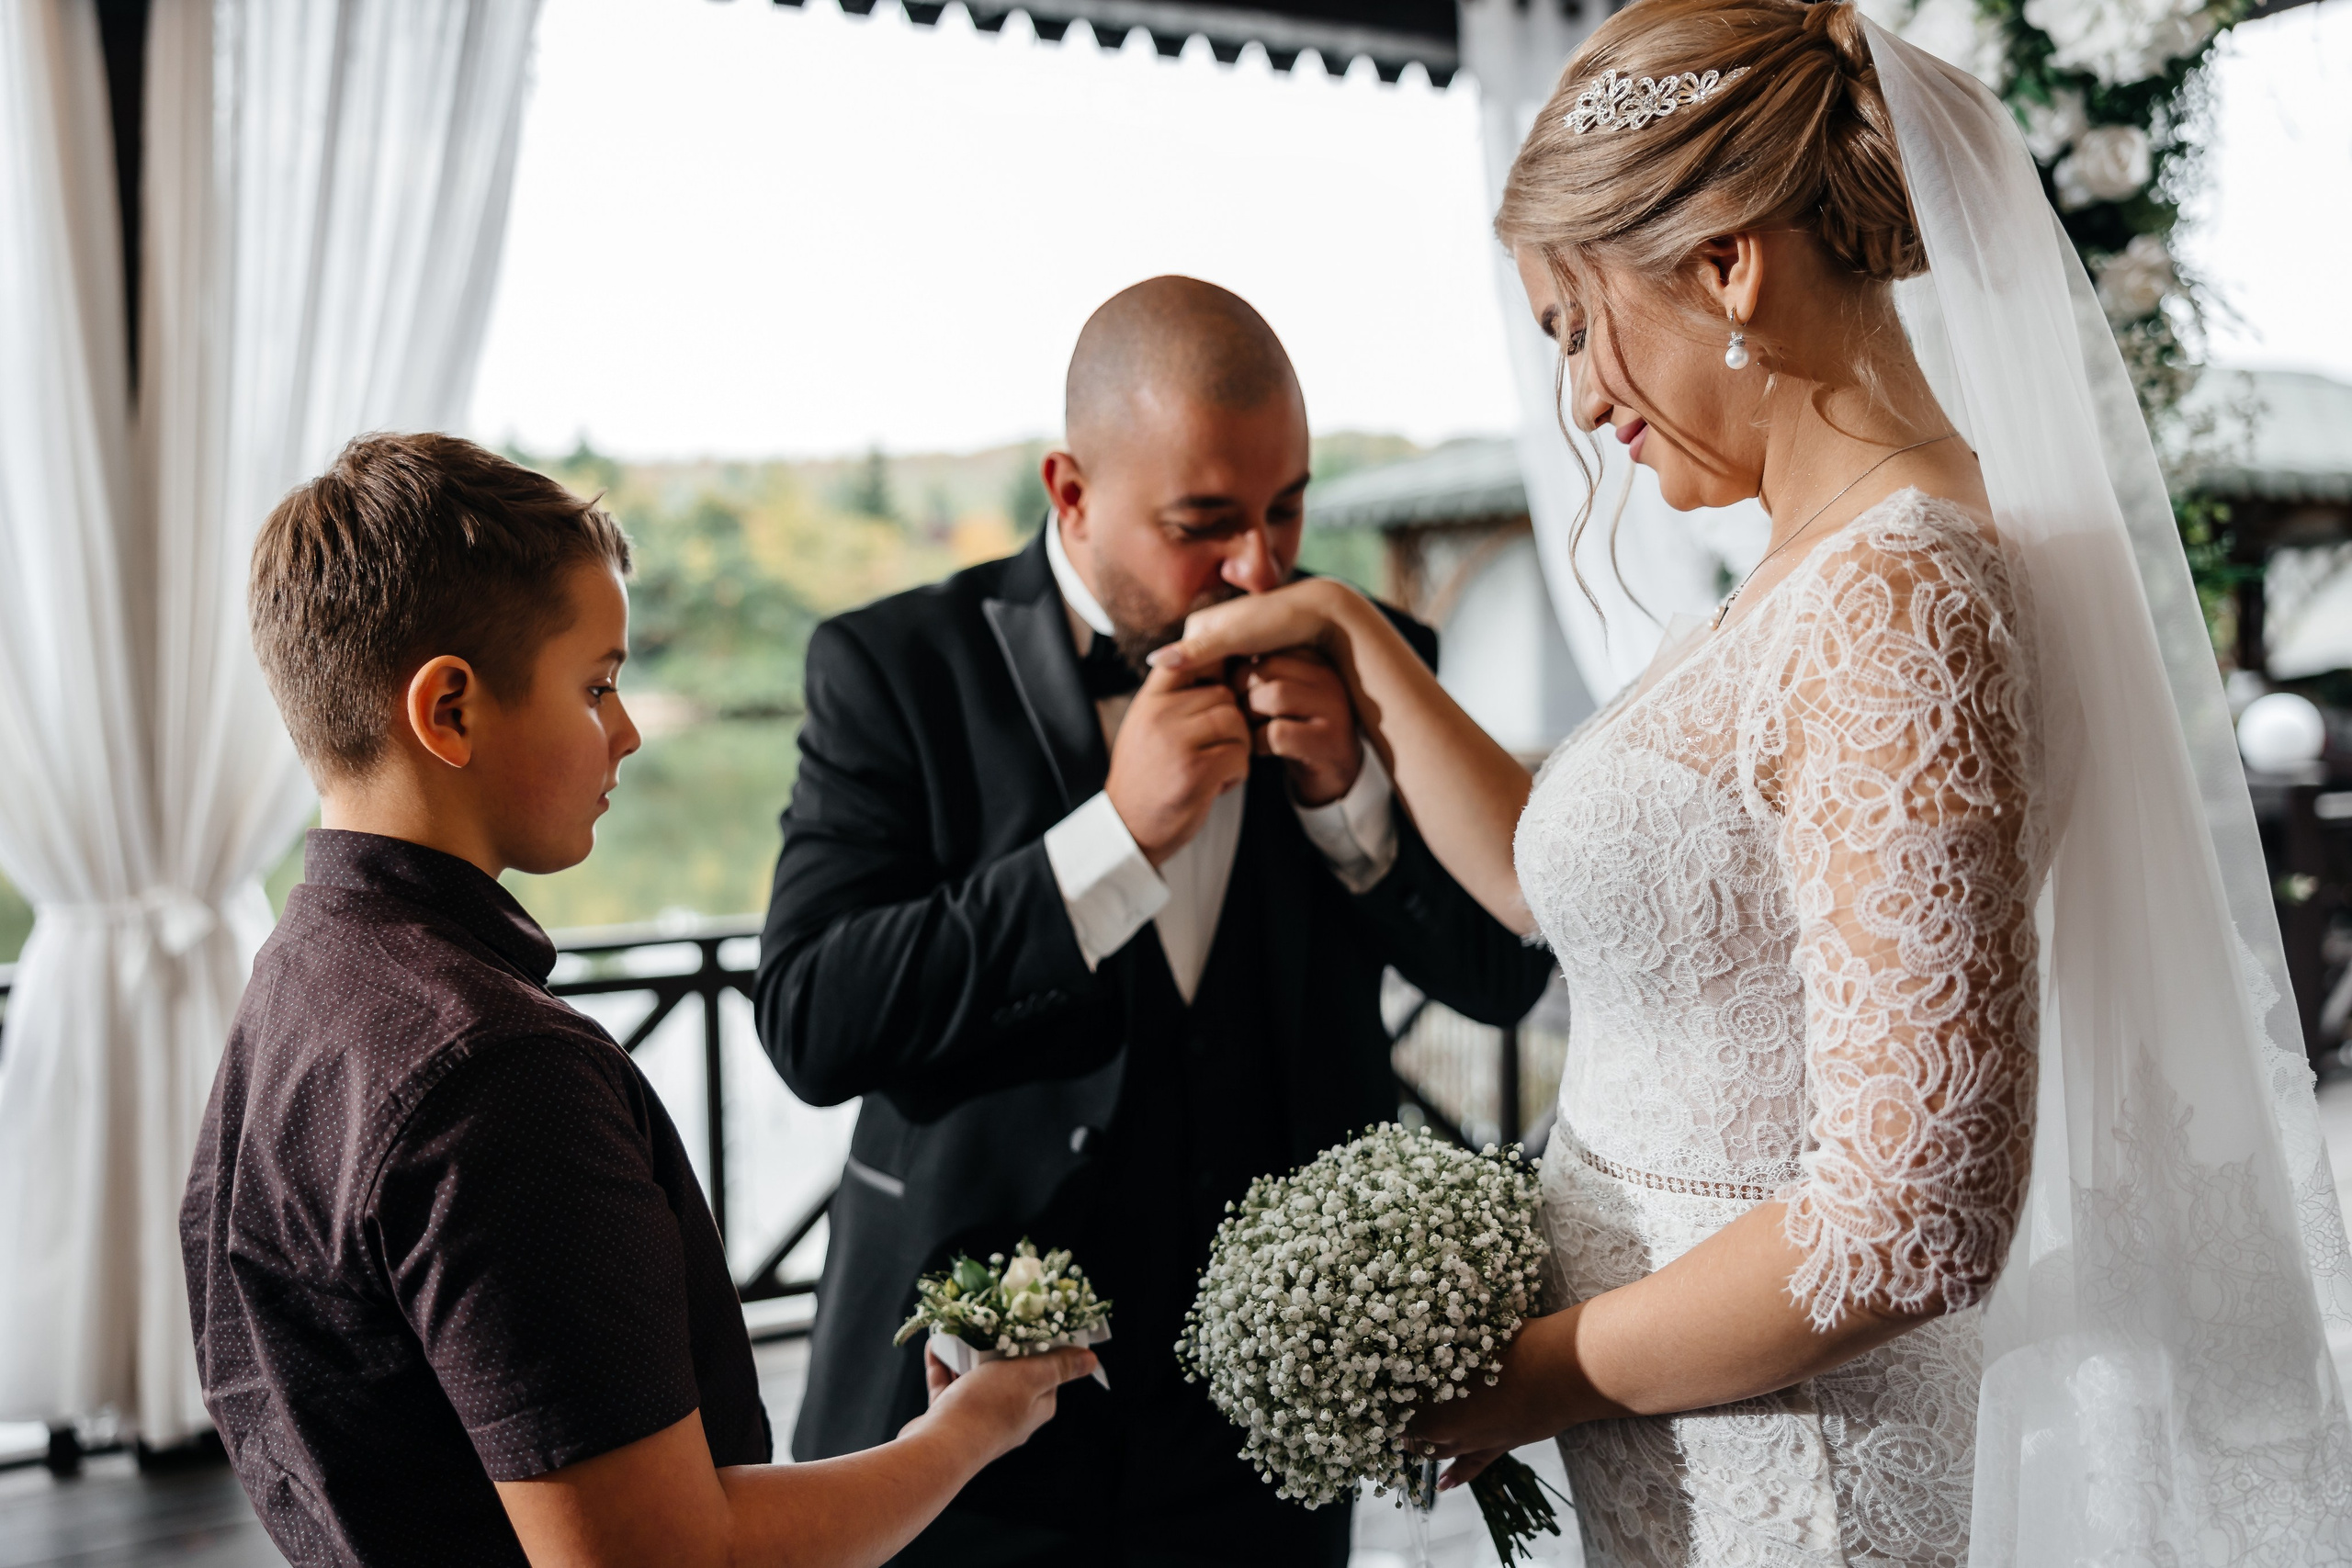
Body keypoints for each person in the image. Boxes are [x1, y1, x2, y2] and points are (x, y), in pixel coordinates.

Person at [1152, 2, 2352, 1563]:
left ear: (1728, 265)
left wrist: (1525, 1379)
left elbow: (1906, 1213)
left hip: (1804, 1481)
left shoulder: (1895, 602)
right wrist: (1357, 641)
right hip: (1704, 1453)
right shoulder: (1822, 570)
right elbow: (1542, 875)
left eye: (1578, 324)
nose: (1581, 398)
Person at [182, 433, 1096, 1568]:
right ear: (450, 710)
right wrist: (967, 1432)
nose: (628, 730)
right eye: (597, 686)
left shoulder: (298, 974)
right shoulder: (494, 1078)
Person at [754, 277, 1555, 1565]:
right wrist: (1108, 841)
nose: (1261, 568)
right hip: (963, 1425)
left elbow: (1509, 973)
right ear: (1070, 489)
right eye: (1205, 523)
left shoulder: (1371, 654)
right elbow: (812, 1018)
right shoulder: (896, 667)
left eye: (1287, 509)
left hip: (1267, 1428)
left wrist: (1354, 802)